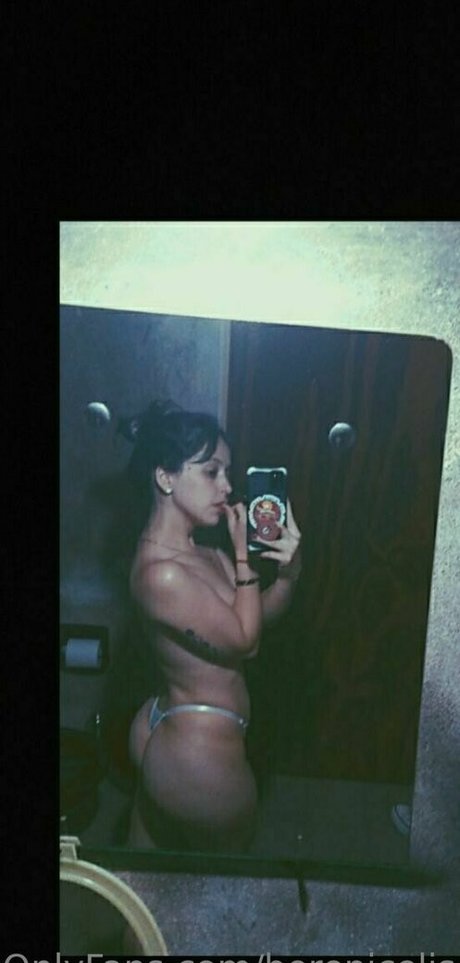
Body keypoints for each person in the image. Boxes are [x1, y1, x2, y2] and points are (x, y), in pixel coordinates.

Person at [126, 400, 301, 853]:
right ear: (165, 478)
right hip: (196, 751)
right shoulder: (161, 574)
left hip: (179, 727)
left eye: (228, 472)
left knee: (143, 880)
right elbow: (245, 641)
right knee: (229, 886)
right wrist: (243, 554)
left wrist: (288, 575)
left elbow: (252, 617)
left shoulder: (204, 552)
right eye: (210, 472)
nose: (227, 486)